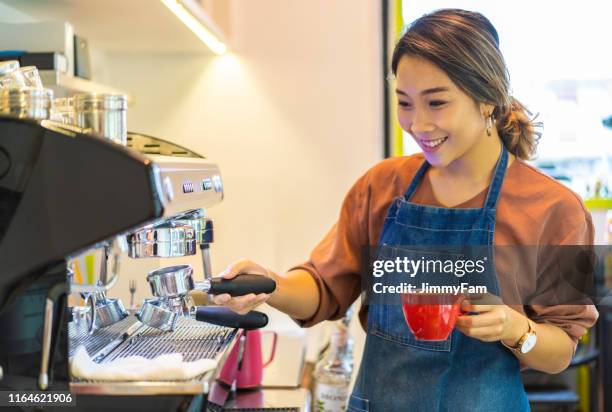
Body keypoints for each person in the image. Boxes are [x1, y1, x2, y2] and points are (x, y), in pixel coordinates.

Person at [211, 9, 599, 411]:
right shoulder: (381, 187)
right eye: (405, 103)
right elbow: (324, 289)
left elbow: (559, 352)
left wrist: (514, 326)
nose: (417, 124)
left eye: (436, 102)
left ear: (487, 100)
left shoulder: (555, 208)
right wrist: (271, 285)